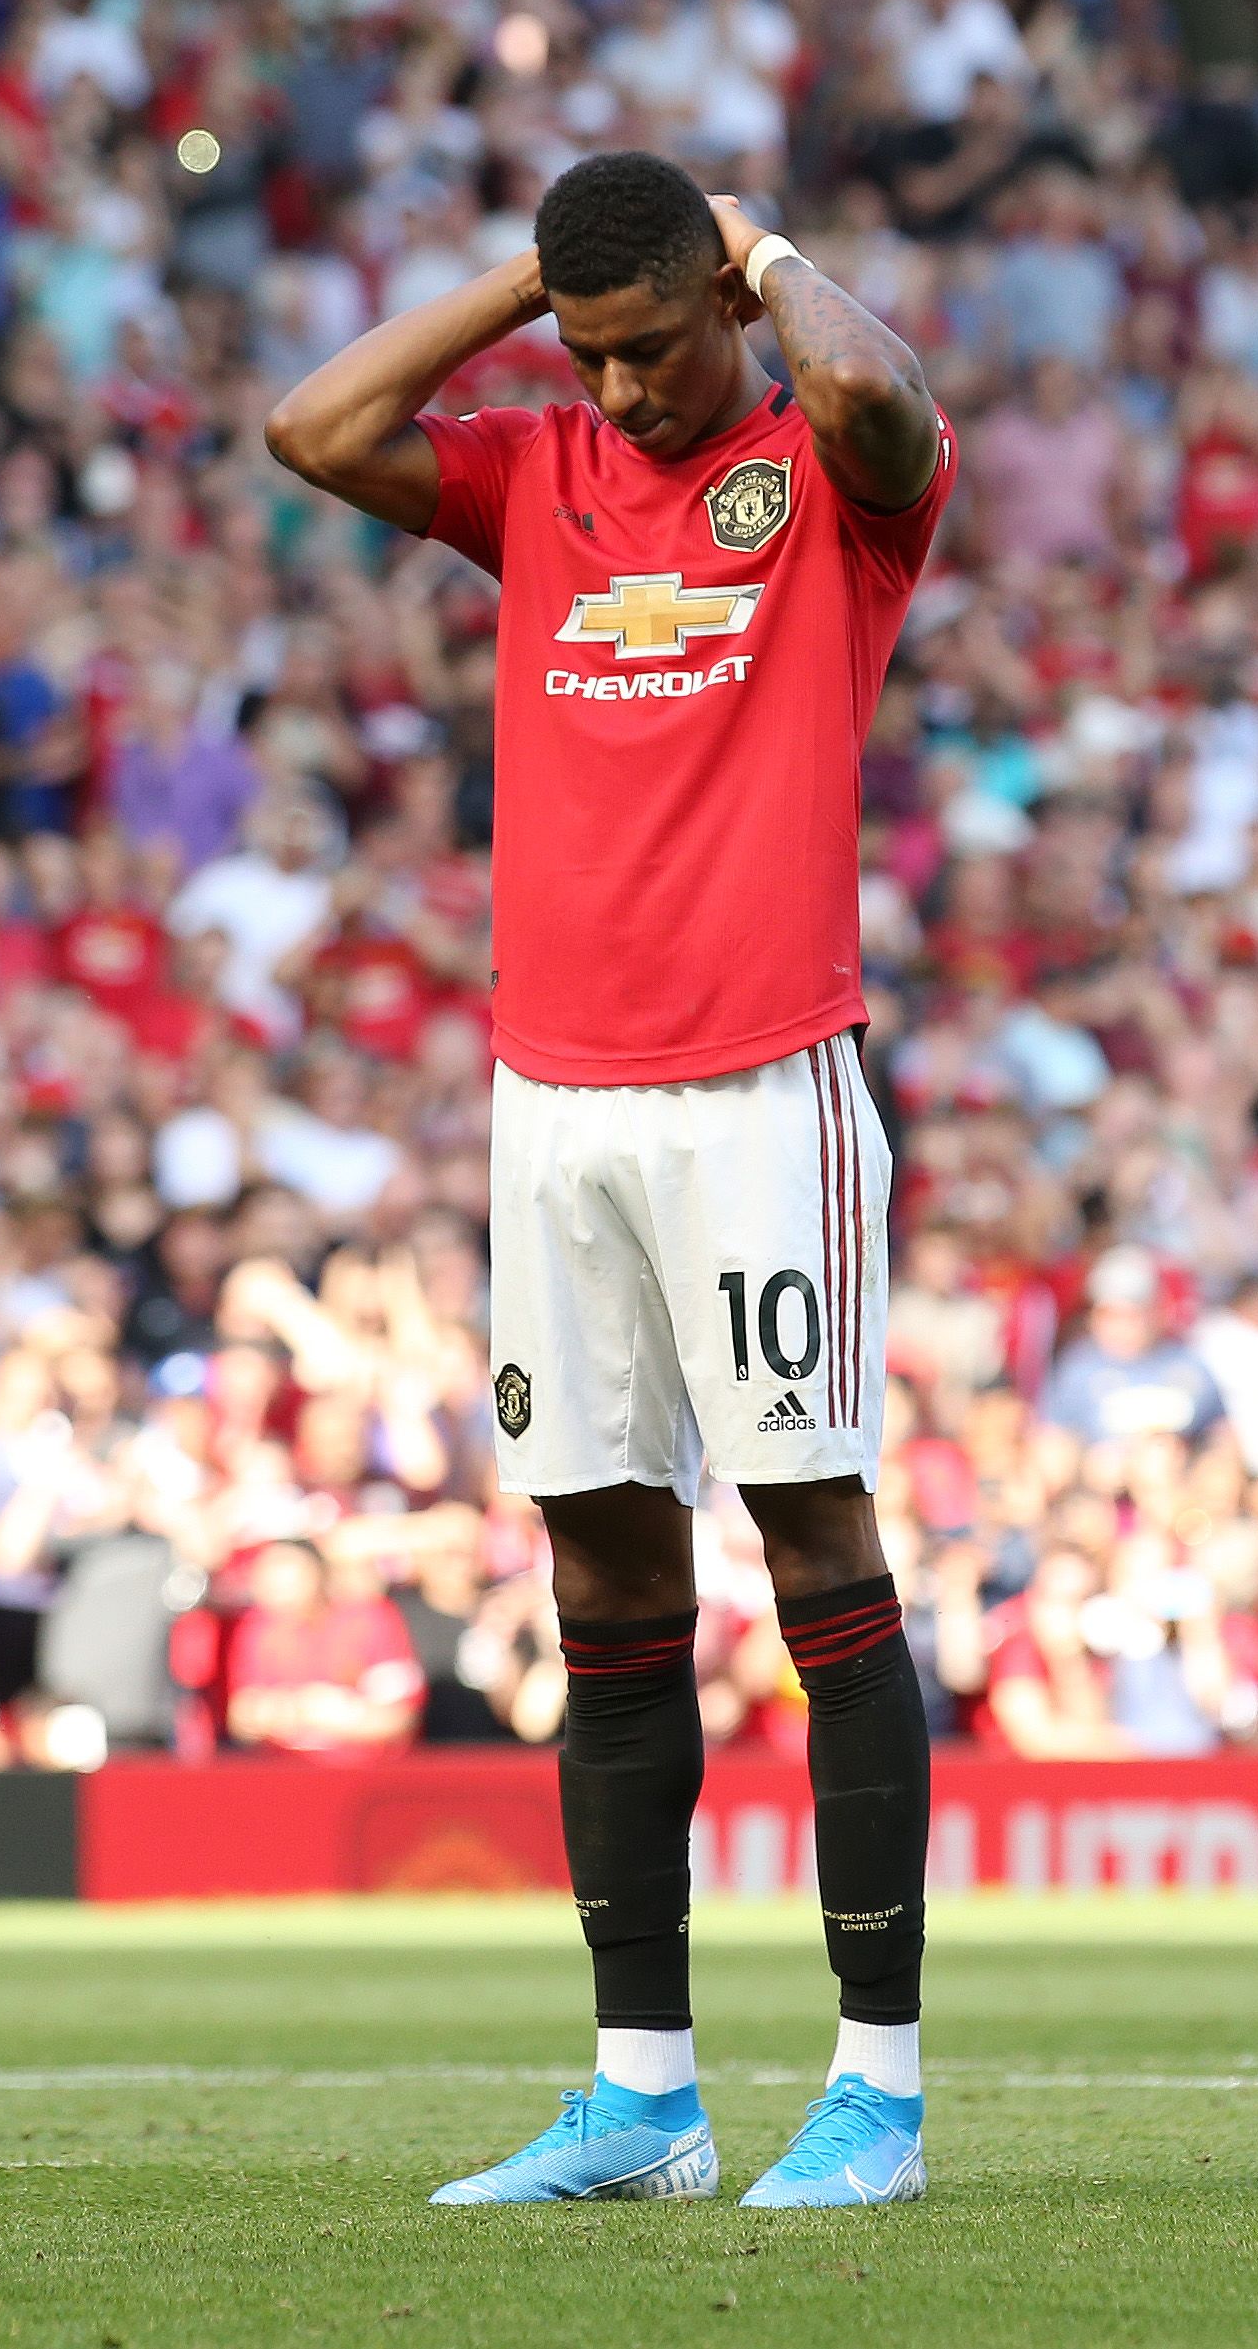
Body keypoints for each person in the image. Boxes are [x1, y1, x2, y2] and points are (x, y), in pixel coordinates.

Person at [266, 150, 950, 2210]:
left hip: (764, 1087)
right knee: (603, 1577)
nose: (627, 389)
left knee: (815, 1545)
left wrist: (757, 254)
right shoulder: (538, 468)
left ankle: (878, 2089)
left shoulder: (825, 480)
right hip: (553, 1102)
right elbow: (312, 429)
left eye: (654, 348)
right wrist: (530, 287)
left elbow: (884, 410)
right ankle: (641, 2093)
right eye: (595, 352)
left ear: (727, 308)